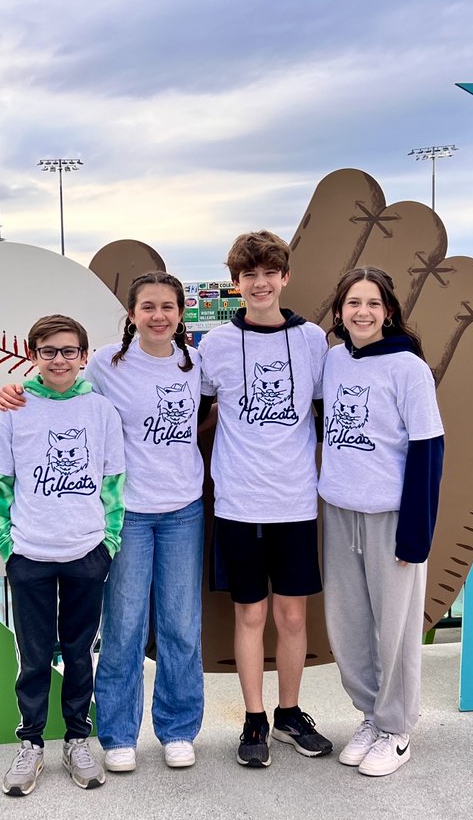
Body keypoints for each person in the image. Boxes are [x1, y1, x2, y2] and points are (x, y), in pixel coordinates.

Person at [0, 272, 206, 772]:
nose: (159, 315)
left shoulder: (197, 361)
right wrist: (14, 390)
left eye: (168, 306)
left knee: (180, 626)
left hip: (184, 510)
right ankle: (116, 734)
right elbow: (58, 388)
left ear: (181, 313)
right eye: (148, 306)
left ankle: (177, 729)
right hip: (130, 512)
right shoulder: (109, 366)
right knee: (123, 628)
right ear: (131, 314)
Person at [198, 230, 333, 767]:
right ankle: (254, 720)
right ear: (236, 284)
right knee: (250, 616)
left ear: (285, 277)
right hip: (237, 503)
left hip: (297, 502)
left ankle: (290, 713)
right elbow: (195, 414)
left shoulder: (312, 341)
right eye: (248, 275)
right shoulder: (216, 346)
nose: (260, 283)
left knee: (293, 618)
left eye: (268, 272)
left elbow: (331, 414)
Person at [0, 314, 126, 797]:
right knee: (35, 656)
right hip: (31, 554)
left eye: (68, 351)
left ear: (83, 357)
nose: (59, 360)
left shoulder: (100, 411)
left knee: (81, 653)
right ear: (33, 355)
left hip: (86, 551)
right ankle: (32, 742)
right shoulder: (15, 409)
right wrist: (6, 545)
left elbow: (112, 483)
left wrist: (109, 543)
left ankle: (78, 738)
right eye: (48, 351)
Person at [319, 267, 444, 777]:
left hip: (391, 516)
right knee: (348, 625)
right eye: (353, 303)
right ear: (341, 311)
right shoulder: (332, 360)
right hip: (338, 511)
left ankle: (397, 729)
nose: (362, 312)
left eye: (372, 303)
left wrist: (416, 534)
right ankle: (369, 716)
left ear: (388, 311)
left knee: (394, 629)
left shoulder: (408, 369)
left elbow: (429, 449)